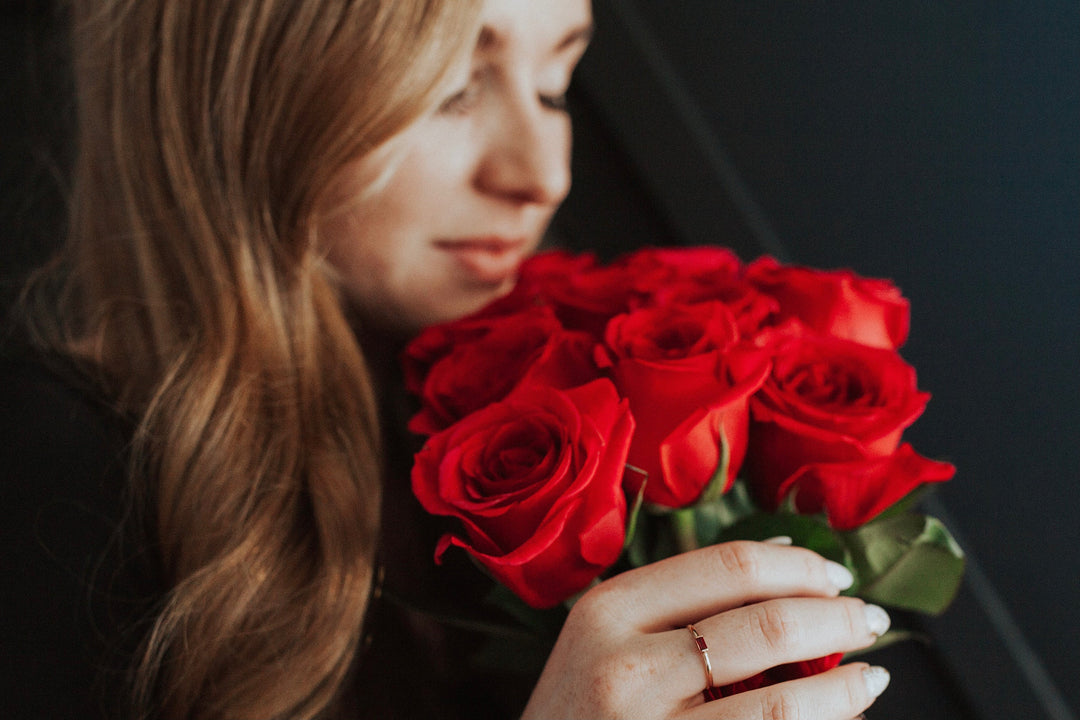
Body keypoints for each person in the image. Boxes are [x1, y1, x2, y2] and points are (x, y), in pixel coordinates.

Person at [0, 0, 892, 718]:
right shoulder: (46, 472)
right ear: (239, 96)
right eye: (452, 89)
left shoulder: (482, 429)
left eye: (554, 86)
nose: (542, 174)